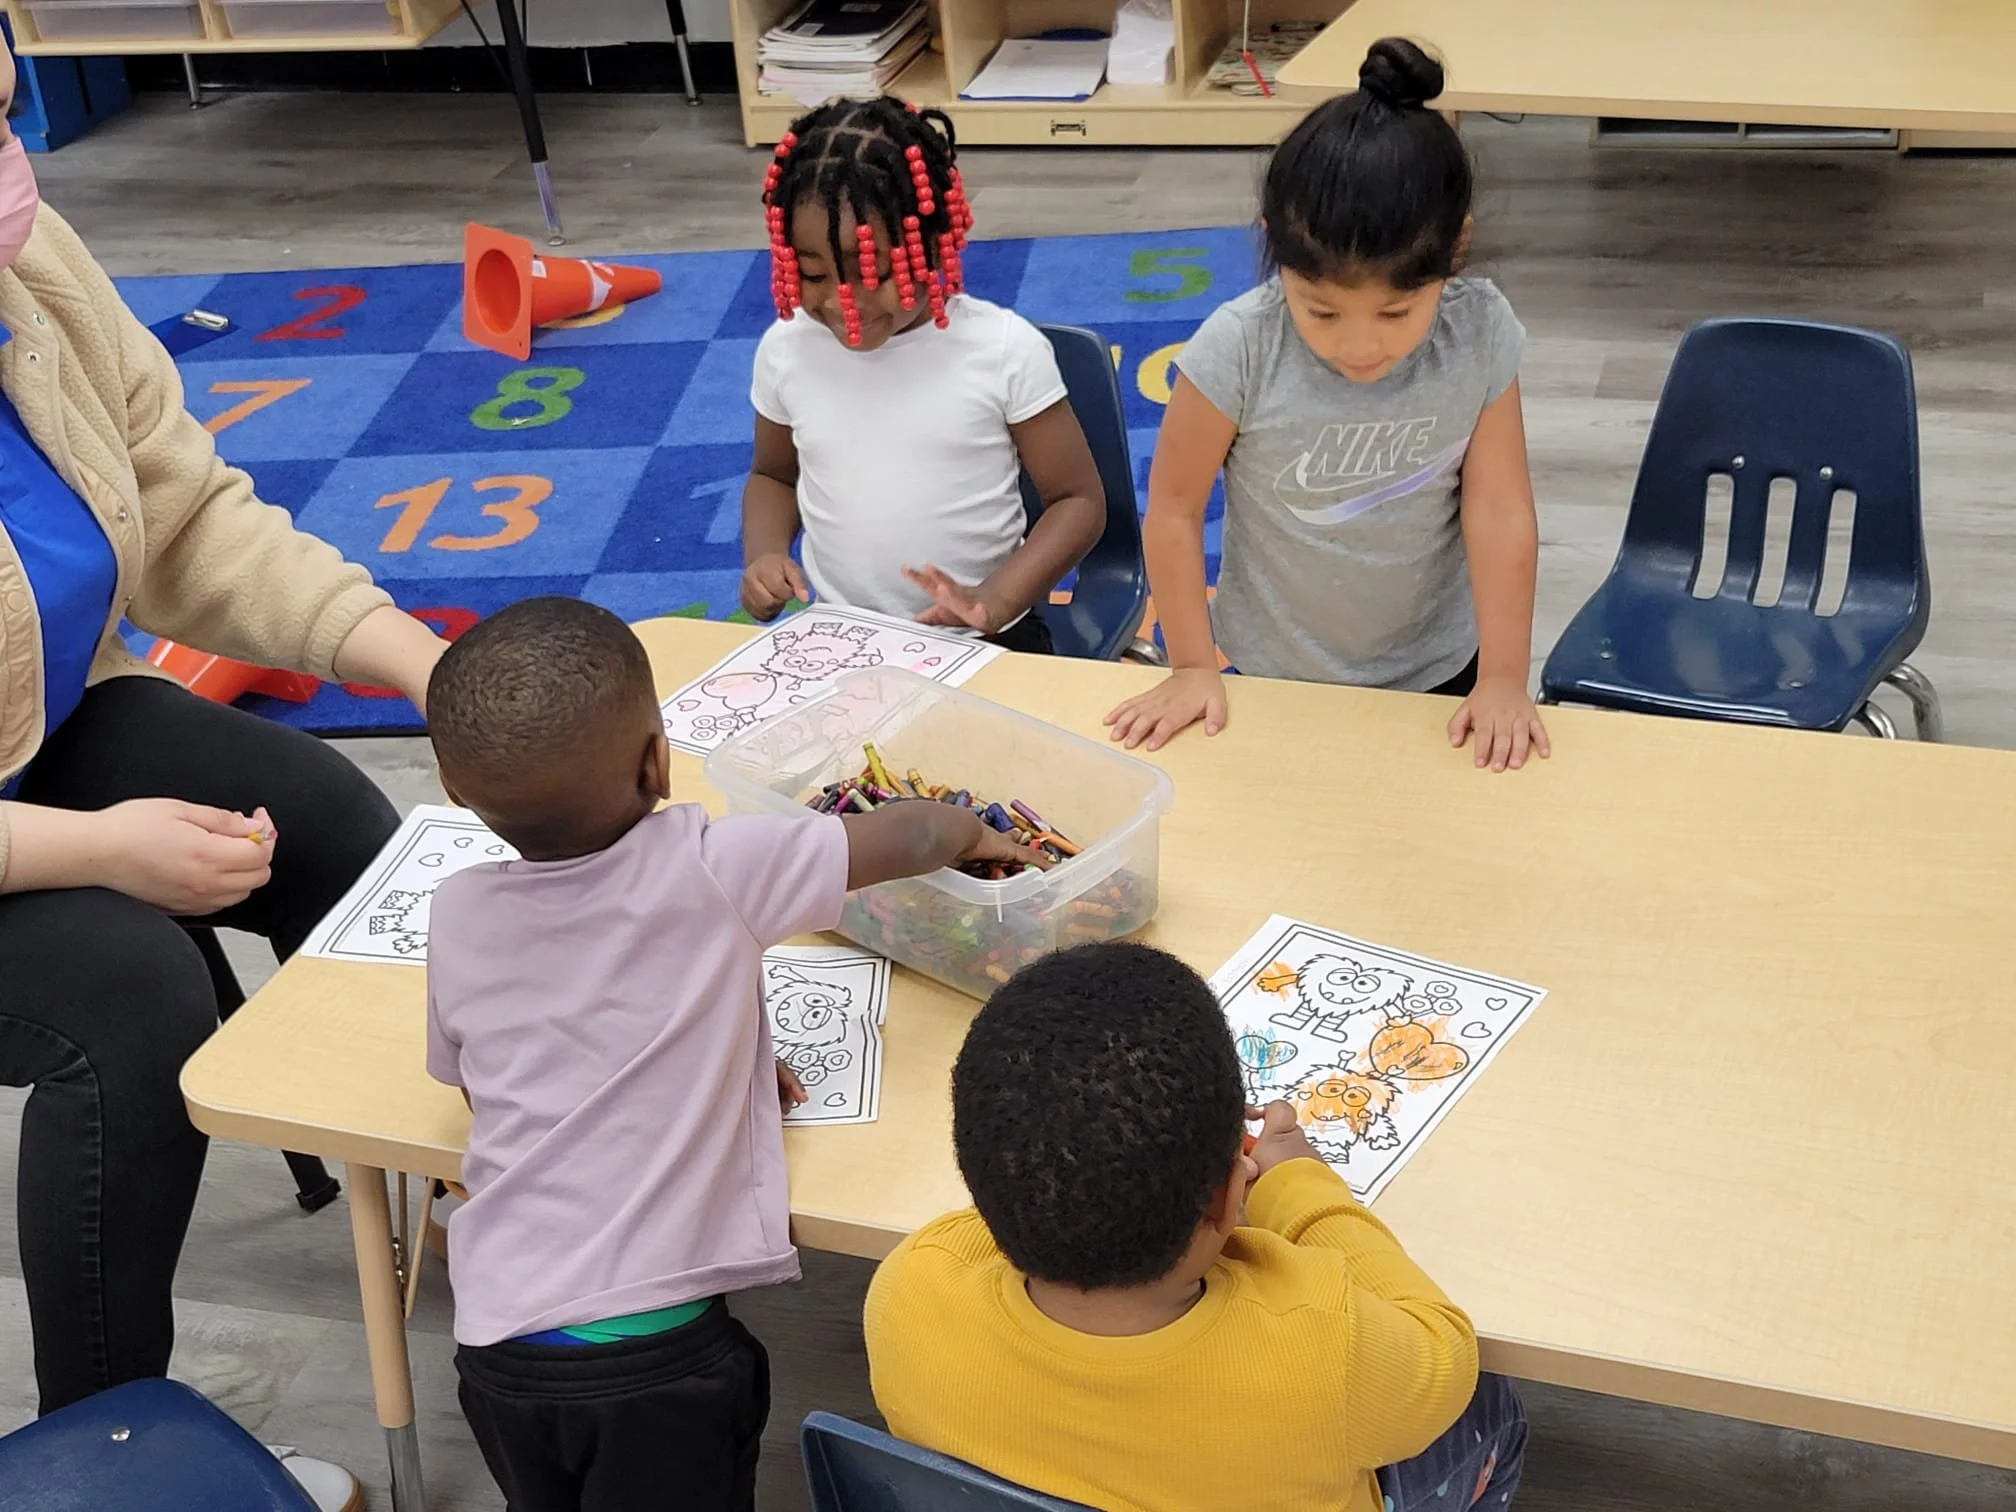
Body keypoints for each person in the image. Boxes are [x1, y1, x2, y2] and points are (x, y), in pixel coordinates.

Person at [0, 42, 443, 1507]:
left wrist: (418, 662)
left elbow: (188, 517)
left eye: (0, 113)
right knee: (131, 1001)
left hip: (36, 727)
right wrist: (99, 851)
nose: (14, 171)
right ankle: (106, 1457)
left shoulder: (30, 266)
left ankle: (461, 1173)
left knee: (330, 820)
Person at [421, 595, 1043, 1512]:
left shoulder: (458, 911)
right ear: (657, 762)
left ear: (453, 788)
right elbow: (909, 834)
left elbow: (491, 1079)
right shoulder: (712, 865)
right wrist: (976, 833)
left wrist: (718, 1062)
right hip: (657, 1360)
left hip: (499, 1346)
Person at [864, 941, 1527, 1512]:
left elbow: (1029, 1190)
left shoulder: (909, 1289)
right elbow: (1443, 1345)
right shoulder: (1333, 1355)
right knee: (1494, 1406)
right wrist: (1298, 1185)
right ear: (1229, 1196)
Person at [1105, 38, 1551, 772]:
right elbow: (1175, 512)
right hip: (1273, 671)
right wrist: (1190, 665)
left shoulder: (1478, 332)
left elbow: (1501, 510)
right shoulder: (1238, 347)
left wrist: (1504, 678)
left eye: (1396, 312)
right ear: (1275, 254)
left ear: (1456, 251)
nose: (1360, 346)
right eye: (1321, 311)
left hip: (1441, 668)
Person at [739, 95, 1104, 654]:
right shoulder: (787, 350)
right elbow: (772, 476)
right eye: (812, 274)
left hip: (988, 638)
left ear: (935, 242)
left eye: (874, 271)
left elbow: (1078, 501)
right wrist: (764, 555)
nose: (842, 302)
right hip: (843, 637)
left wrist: (996, 600)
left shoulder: (1002, 351)